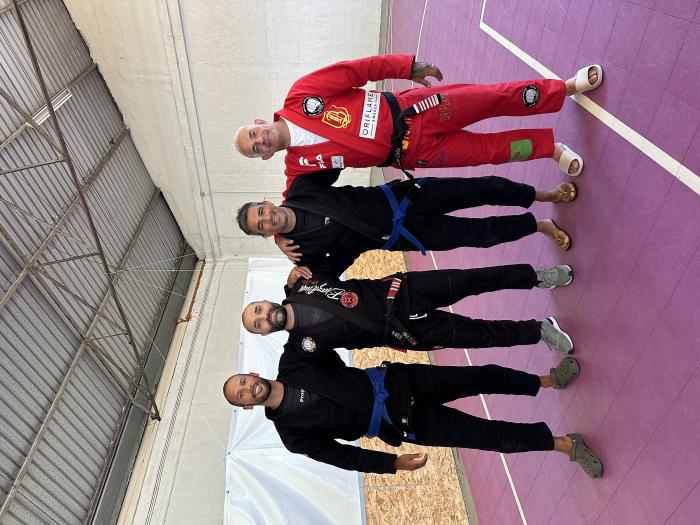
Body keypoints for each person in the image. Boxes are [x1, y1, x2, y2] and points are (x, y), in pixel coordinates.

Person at [232, 54, 603, 190]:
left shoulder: (301, 95)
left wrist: (405, 67)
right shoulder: (298, 166)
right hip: (415, 154)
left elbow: (357, 70)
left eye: (254, 133)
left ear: (259, 121)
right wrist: (281, 242)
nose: (260, 140)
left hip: (419, 109)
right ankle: (549, 149)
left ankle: (564, 88)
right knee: (488, 152)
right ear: (265, 157)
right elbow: (290, 207)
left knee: (494, 97)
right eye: (256, 148)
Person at [223, 348, 603, 478]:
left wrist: (295, 285)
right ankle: (564, 445)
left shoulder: (294, 361)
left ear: (251, 373)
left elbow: (319, 324)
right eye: (241, 396)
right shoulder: (292, 435)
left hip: (401, 381)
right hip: (401, 423)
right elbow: (343, 457)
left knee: (481, 376)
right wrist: (391, 465)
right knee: (488, 437)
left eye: (243, 381)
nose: (247, 389)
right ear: (247, 407)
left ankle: (547, 380)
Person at [236, 169, 576, 275]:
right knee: (481, 235)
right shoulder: (302, 251)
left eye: (261, 212)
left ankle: (543, 194)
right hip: (406, 235)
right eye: (261, 226)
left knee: (481, 188)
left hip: (406, 196)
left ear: (267, 202)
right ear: (265, 235)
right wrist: (295, 274)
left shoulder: (301, 188)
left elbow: (334, 157)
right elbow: (326, 277)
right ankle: (539, 226)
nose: (267, 219)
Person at [242, 263, 575, 356]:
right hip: (406, 333)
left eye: (258, 309)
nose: (263, 317)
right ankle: (539, 330)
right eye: (258, 324)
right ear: (264, 333)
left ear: (265, 300)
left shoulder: (303, 282)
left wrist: (294, 268)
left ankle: (536, 277)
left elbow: (337, 242)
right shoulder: (303, 349)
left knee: (475, 279)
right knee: (478, 335)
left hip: (403, 291)